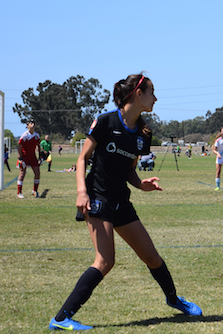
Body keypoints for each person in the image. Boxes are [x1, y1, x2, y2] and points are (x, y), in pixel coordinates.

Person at [49, 74, 201, 331]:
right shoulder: (106, 122)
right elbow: (82, 158)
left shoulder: (143, 133)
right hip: (97, 197)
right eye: (152, 92)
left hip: (121, 200)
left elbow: (130, 171)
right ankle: (62, 318)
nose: (156, 98)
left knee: (152, 257)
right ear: (137, 93)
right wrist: (81, 192)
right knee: (105, 261)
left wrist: (142, 184)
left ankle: (174, 300)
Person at [17, 120, 41, 198]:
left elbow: (38, 145)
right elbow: (19, 147)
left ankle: (35, 190)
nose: (33, 125)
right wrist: (20, 158)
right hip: (24, 157)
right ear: (27, 126)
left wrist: (40, 157)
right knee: (22, 173)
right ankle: (19, 193)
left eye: (34, 123)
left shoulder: (37, 135)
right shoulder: (24, 135)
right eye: (31, 123)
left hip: (33, 157)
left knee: (37, 173)